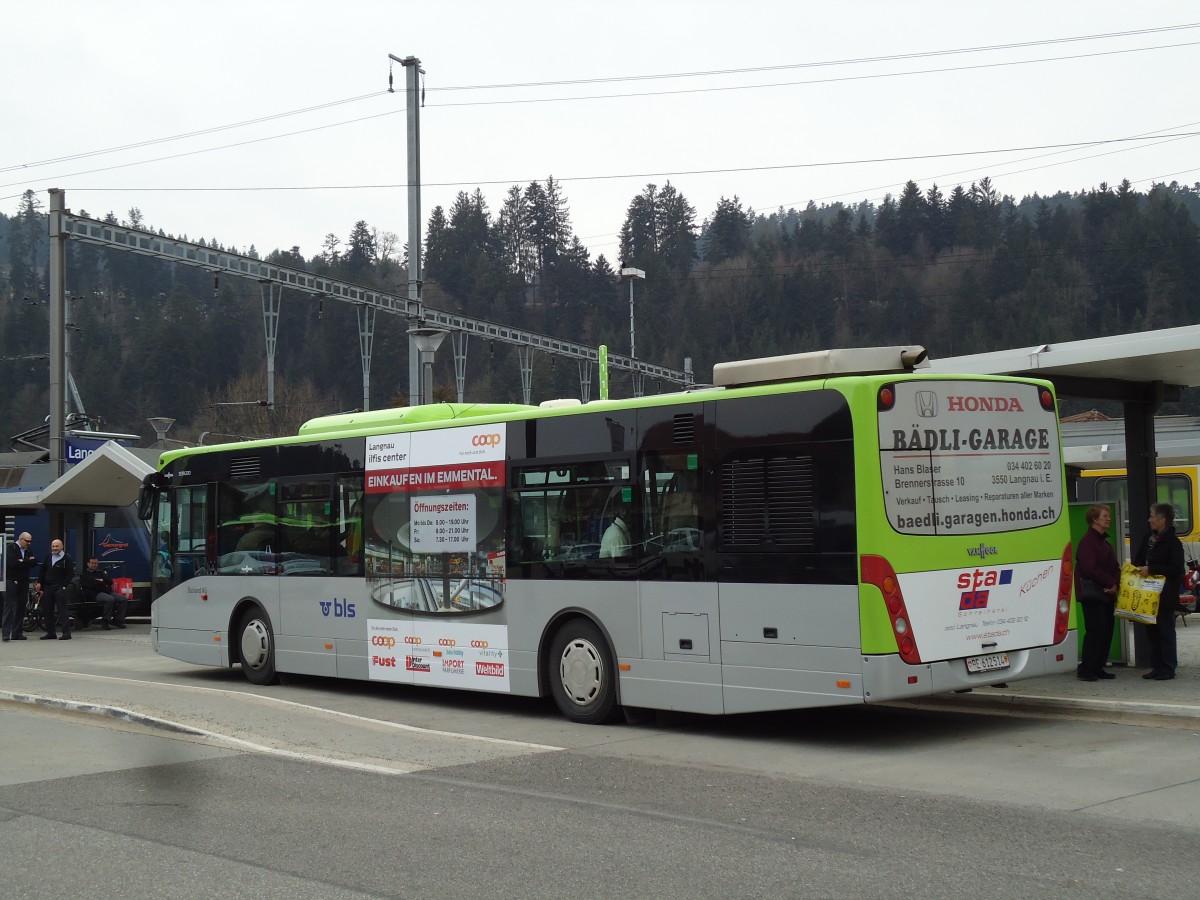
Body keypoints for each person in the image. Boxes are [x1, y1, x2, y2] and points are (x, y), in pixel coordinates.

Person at [1132, 502, 1184, 681]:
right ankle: (1157, 666)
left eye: (1152, 516)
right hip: (1148, 594)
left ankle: (1168, 667)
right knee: (1151, 632)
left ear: (1162, 520)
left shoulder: (1173, 542)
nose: (1149, 520)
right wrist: (1138, 567)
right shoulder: (1148, 538)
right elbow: (1138, 558)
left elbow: (1176, 568)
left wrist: (1152, 569)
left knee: (1165, 631)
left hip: (1165, 594)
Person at [1074, 504, 1120, 681]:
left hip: (1106, 593)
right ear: (1094, 520)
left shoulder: (1105, 543)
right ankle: (1086, 669)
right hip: (1093, 594)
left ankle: (1098, 666)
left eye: (1108, 516)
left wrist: (1115, 583)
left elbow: (1115, 567)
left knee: (1107, 630)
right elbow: (1089, 568)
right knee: (1095, 630)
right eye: (1104, 516)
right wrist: (1110, 581)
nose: (1108, 518)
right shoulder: (1088, 542)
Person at [35, 538, 75, 641]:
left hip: (59, 587)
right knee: (47, 610)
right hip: (48, 587)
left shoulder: (67, 559)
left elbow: (70, 574)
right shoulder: (49, 557)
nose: (55, 548)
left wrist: (63, 586)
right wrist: (39, 582)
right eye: (53, 546)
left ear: (62, 547)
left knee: (62, 610)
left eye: (57, 546)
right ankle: (51, 633)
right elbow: (43, 570)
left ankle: (66, 633)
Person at [3, 531, 37, 641]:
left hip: (23, 581)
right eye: (27, 541)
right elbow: (12, 563)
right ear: (21, 539)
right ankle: (6, 633)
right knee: (9, 606)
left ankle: (17, 632)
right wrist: (26, 562)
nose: (29, 543)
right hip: (12, 580)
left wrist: (23, 561)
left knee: (21, 607)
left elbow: (35, 562)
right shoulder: (11, 548)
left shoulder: (28, 550)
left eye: (30, 541)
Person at [80, 557, 127, 630]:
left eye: (96, 563)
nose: (94, 565)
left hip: (106, 592)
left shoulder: (100, 572)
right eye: (92, 563)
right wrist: (101, 582)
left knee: (123, 599)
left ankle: (117, 620)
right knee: (109, 599)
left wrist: (100, 581)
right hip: (94, 594)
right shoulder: (85, 575)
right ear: (88, 564)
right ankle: (105, 620)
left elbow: (110, 581)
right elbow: (91, 585)